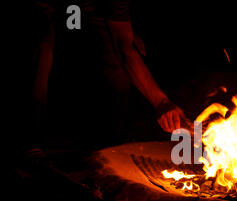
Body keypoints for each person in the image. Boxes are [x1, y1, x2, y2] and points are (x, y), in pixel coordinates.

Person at [29, 0, 186, 155]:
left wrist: (124, 32)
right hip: (45, 2)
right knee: (43, 46)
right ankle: (30, 144)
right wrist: (161, 102)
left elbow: (122, 44)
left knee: (118, 60)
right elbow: (121, 48)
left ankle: (111, 141)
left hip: (85, 8)